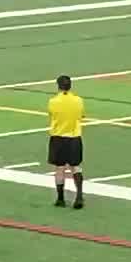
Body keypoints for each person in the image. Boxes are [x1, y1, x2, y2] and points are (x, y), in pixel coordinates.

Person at [46, 75, 85, 209]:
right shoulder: (78, 100)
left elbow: (52, 115)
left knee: (59, 168)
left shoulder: (53, 101)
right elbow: (80, 115)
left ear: (58, 86)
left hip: (58, 137)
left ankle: (60, 198)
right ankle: (79, 195)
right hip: (74, 136)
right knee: (76, 167)